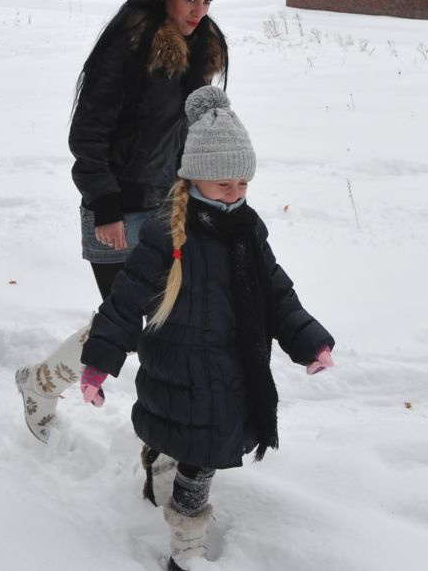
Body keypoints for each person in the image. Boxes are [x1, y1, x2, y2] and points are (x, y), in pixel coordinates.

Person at [76, 86, 335, 571]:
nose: (234, 194)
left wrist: (310, 341)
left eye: (242, 184)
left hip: (233, 368)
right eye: (222, 185)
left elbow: (277, 292)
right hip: (180, 368)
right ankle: (186, 550)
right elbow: (125, 301)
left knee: (202, 452)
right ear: (192, 177)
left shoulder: (249, 230)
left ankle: (163, 467)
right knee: (193, 451)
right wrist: (98, 365)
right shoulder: (165, 234)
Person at [14, 0, 227, 441]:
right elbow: (88, 133)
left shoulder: (195, 47)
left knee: (165, 318)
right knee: (132, 321)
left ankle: (166, 437)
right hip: (118, 206)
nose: (199, 11)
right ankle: (41, 383)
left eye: (208, 1)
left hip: (168, 201)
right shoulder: (129, 47)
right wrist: (105, 207)